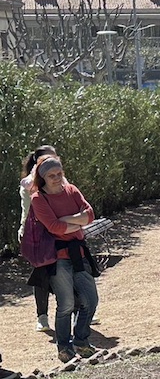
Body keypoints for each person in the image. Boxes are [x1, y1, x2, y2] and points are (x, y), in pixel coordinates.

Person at [30, 157, 99, 363]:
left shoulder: (71, 190)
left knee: (90, 300)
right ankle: (64, 347)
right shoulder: (38, 199)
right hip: (57, 257)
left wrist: (67, 220)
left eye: (60, 174)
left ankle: (81, 340)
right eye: (52, 176)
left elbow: (90, 215)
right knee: (67, 303)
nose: (58, 178)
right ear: (43, 178)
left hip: (78, 253)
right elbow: (54, 228)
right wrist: (78, 222)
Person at [19, 145, 59, 332]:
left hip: (57, 231)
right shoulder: (29, 184)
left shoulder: (59, 180)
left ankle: (79, 310)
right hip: (35, 234)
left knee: (67, 271)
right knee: (42, 274)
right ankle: (42, 316)